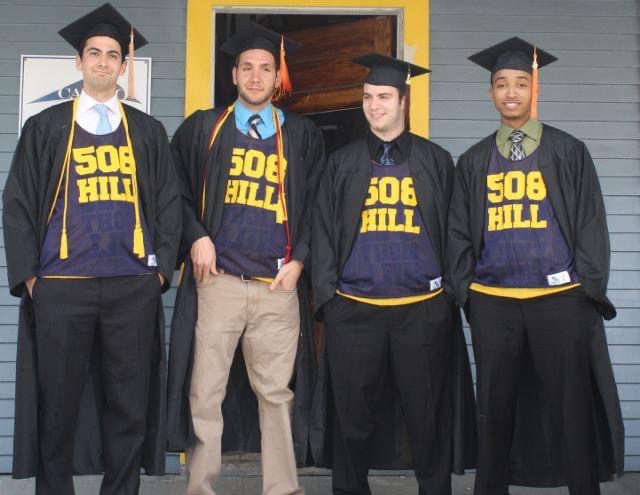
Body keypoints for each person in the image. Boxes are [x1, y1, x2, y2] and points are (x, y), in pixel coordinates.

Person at [3, 3, 181, 494]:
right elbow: (17, 204)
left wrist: (160, 273)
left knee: (128, 404)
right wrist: (33, 278)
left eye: (113, 55)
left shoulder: (146, 131)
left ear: (125, 66)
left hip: (131, 287)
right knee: (56, 404)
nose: (103, 62)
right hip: (62, 287)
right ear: (78, 63)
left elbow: (169, 205)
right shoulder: (47, 127)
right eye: (94, 53)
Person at [447, 37, 625, 495]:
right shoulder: (473, 161)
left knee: (570, 411)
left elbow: (590, 225)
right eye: (501, 84)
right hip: (495, 303)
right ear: (490, 93)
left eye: (520, 84)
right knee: (496, 412)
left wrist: (585, 290)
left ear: (534, 90)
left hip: (559, 301)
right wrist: (469, 292)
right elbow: (460, 235)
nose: (511, 93)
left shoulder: (568, 151)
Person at [166, 20, 325, 495]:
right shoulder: (203, 128)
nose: (257, 77)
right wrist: (195, 234)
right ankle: (201, 487)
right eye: (247, 68)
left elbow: (319, 205)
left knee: (276, 395)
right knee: (206, 391)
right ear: (233, 75)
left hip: (278, 286)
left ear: (279, 78)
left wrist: (302, 262)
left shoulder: (302, 136)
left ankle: (282, 488)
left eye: (266, 69)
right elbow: (171, 190)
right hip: (219, 282)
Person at [311, 53, 476, 495]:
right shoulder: (342, 162)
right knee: (353, 421)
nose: (374, 105)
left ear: (403, 100)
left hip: (422, 312)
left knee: (427, 419)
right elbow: (323, 231)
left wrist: (451, 295)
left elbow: (457, 230)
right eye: (367, 97)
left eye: (383, 96)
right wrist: (329, 297)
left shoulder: (436, 160)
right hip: (355, 311)